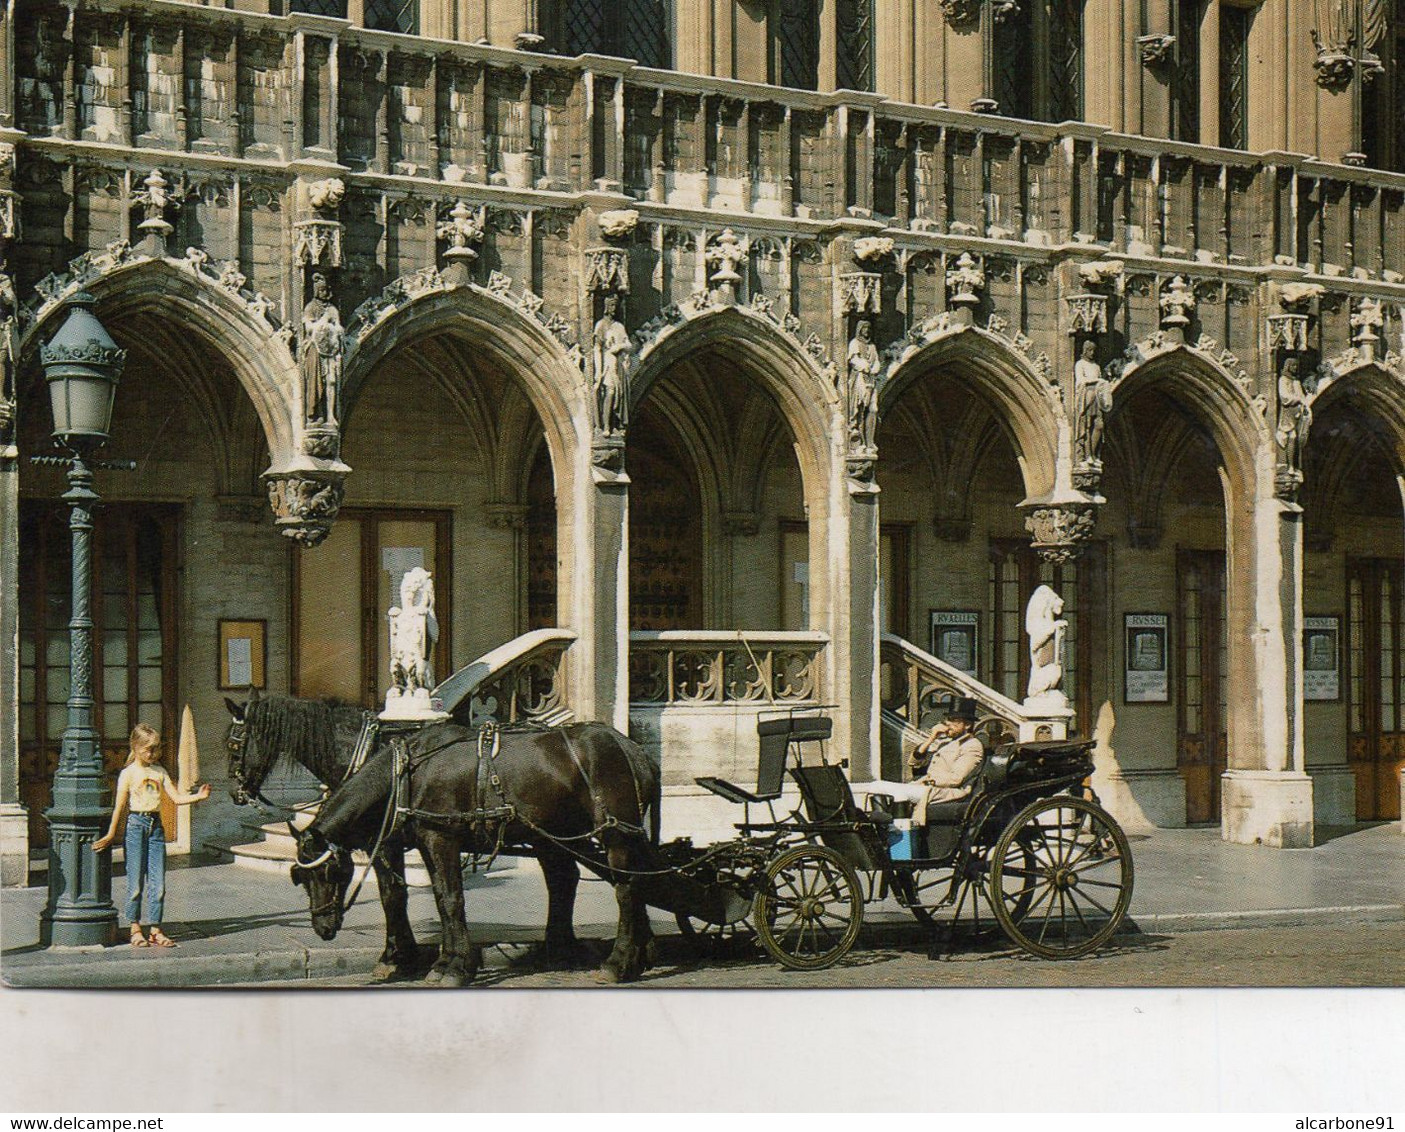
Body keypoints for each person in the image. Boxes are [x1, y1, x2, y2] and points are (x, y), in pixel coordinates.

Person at [92, 723, 211, 948]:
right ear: (135, 747)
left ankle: (156, 929)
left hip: (155, 828)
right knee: (135, 882)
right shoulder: (128, 774)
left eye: (156, 749)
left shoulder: (160, 772)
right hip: (136, 826)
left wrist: (198, 797)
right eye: (149, 749)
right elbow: (119, 807)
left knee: (158, 883)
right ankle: (135, 928)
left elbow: (175, 798)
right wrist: (110, 834)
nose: (153, 753)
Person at [863, 697, 985, 826]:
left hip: (948, 792)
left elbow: (956, 779)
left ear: (967, 725)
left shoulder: (972, 745)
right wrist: (931, 738)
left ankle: (903, 836)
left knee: (899, 793)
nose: (949, 724)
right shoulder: (944, 743)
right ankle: (885, 830)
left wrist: (930, 781)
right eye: (948, 719)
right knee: (876, 786)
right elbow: (914, 762)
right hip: (929, 787)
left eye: (955, 721)